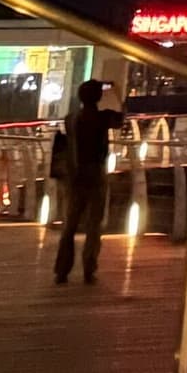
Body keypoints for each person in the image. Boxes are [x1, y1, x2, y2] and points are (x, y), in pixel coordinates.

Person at [50, 82, 120, 287]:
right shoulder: (103, 118)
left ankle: (62, 270)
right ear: (98, 97)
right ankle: (89, 268)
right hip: (96, 174)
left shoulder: (71, 118)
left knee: (69, 225)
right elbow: (122, 117)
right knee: (94, 225)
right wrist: (115, 93)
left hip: (74, 174)